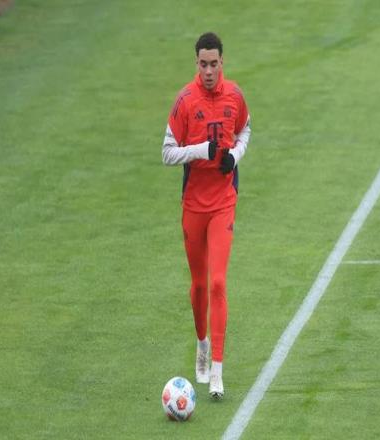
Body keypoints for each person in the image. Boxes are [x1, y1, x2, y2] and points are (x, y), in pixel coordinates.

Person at [162, 32, 251, 399]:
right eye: (203, 64)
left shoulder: (235, 96)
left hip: (223, 203)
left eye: (214, 64)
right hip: (193, 206)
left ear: (222, 62)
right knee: (199, 284)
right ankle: (201, 343)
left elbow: (245, 129)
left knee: (217, 282)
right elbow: (167, 153)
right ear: (196, 64)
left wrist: (235, 156)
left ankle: (217, 370)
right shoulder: (185, 101)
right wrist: (200, 150)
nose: (209, 71)